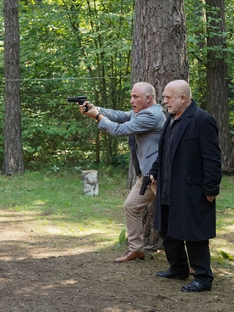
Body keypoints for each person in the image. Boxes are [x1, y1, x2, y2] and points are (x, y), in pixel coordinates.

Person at [79, 82, 165, 263]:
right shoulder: (141, 112)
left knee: (173, 215)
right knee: (131, 206)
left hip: (158, 176)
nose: (131, 100)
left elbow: (120, 130)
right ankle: (136, 249)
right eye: (131, 96)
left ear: (148, 99)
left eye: (136, 97)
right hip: (147, 175)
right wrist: (97, 109)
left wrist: (98, 117)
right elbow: (120, 115)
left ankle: (191, 262)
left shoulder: (150, 115)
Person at [149, 80, 222, 292]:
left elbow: (212, 158)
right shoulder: (171, 119)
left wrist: (210, 189)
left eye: (168, 97)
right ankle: (178, 268)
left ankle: (203, 278)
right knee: (167, 230)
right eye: (164, 97)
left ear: (183, 98)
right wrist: (154, 171)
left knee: (194, 234)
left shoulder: (202, 120)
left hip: (192, 190)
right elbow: (164, 152)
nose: (164, 102)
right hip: (167, 187)